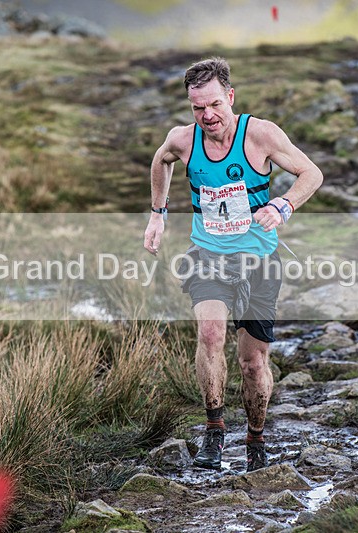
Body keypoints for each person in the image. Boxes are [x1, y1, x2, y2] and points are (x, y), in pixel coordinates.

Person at [143, 57, 323, 472]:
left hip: (259, 261)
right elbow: (161, 159)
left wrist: (283, 204)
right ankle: (214, 431)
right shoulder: (184, 139)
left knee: (252, 362)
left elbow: (311, 173)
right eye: (197, 108)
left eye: (213, 106)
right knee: (209, 335)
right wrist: (158, 213)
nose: (206, 116)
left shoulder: (260, 135)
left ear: (230, 96)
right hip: (208, 256)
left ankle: (256, 441)